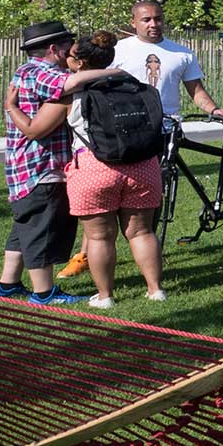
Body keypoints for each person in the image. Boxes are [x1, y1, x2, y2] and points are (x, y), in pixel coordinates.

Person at [63, 31, 169, 308]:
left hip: (95, 166)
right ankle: (156, 289)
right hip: (143, 166)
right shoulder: (132, 83)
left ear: (81, 62)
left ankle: (105, 296)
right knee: (142, 232)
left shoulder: (73, 89)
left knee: (99, 236)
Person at [0, 19, 86, 302]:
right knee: (41, 229)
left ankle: (7, 285)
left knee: (24, 227)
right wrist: (111, 71)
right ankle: (44, 292)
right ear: (54, 48)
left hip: (24, 167)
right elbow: (71, 82)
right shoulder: (43, 72)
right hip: (41, 167)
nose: (71, 50)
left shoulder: (25, 71)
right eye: (67, 45)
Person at [114, 0, 223, 129]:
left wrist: (214, 110)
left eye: (158, 19)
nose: (153, 24)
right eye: (146, 20)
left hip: (168, 128)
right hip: (128, 128)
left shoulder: (183, 54)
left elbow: (196, 91)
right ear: (133, 22)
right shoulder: (116, 51)